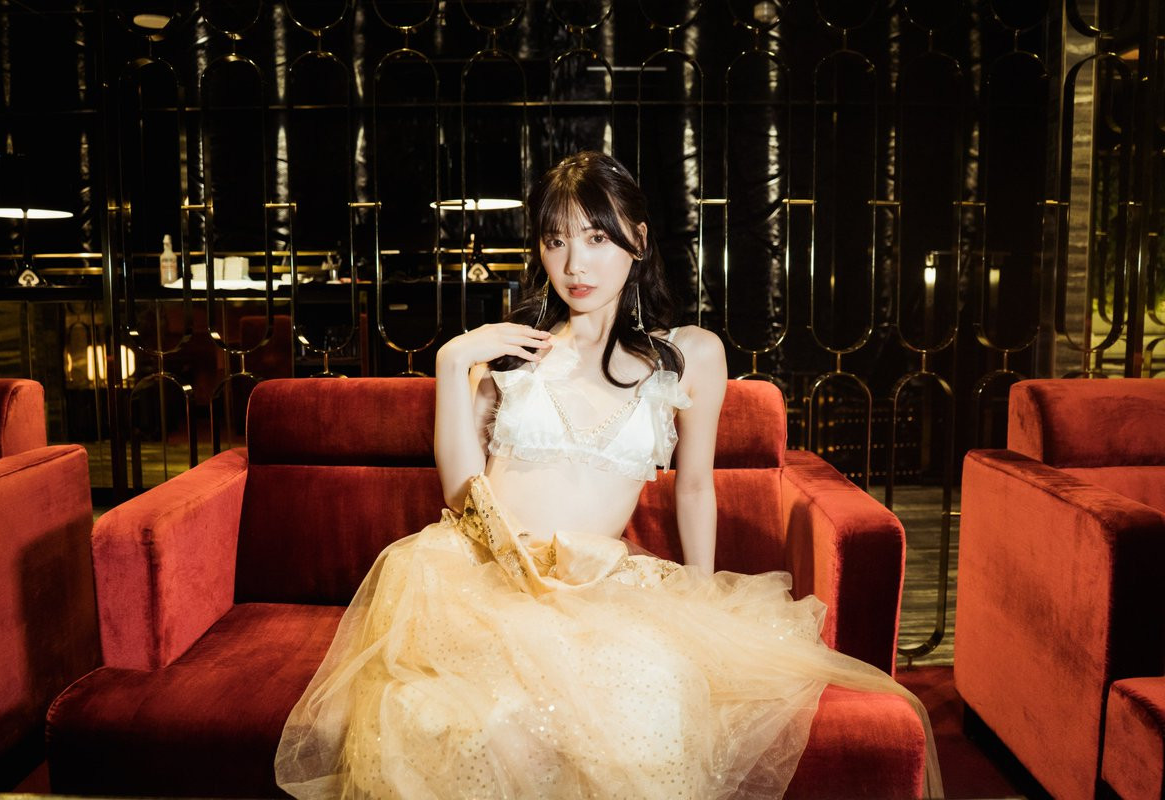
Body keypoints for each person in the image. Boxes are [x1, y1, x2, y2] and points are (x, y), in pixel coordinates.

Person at [275, 151, 942, 799]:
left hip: (594, 584)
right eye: (556, 240)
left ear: (638, 240)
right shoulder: (508, 356)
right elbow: (461, 496)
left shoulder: (688, 356)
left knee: (647, 701)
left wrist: (701, 596)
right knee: (456, 723)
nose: (575, 263)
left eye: (596, 237)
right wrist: (452, 363)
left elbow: (694, 487)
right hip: (483, 576)